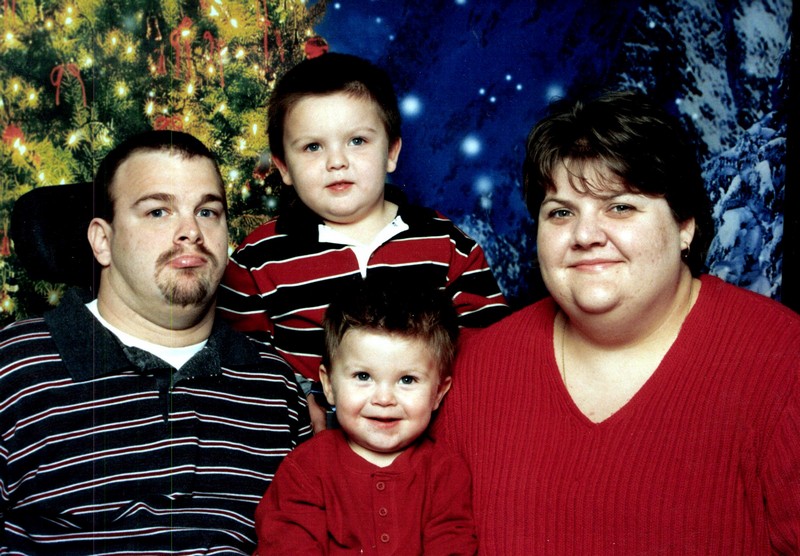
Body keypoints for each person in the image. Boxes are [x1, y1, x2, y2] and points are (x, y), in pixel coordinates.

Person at [432, 91, 800, 554]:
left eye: (620, 206)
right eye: (561, 212)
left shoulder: (783, 362)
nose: (585, 235)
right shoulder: (473, 373)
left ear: (685, 225)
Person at [0, 130, 312, 554]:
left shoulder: (274, 384)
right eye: (158, 211)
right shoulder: (14, 367)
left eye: (207, 211)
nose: (191, 231)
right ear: (103, 241)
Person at [216, 52, 509, 431]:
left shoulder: (447, 245)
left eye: (357, 141)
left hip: (430, 441)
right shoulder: (258, 258)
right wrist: (295, 402)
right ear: (283, 166)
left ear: (391, 152)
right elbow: (242, 365)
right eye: (313, 147)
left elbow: (491, 352)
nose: (336, 161)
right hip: (310, 445)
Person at [253, 278, 477, 555]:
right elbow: (288, 545)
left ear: (438, 393)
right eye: (363, 376)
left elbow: (452, 545)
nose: (383, 399)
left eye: (407, 380)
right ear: (329, 385)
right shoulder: (305, 469)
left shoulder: (445, 472)